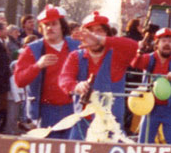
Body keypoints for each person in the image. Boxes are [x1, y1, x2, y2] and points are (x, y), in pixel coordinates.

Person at [59, 11, 139, 139]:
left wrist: (100, 40)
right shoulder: (75, 56)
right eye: (89, 31)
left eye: (99, 30)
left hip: (111, 128)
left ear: (107, 34)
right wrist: (76, 86)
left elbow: (134, 47)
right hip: (82, 126)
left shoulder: (117, 56)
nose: (94, 35)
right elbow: (64, 79)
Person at [14, 5, 80, 139]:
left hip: (73, 108)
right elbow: (19, 80)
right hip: (46, 111)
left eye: (54, 24)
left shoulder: (75, 46)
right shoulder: (32, 49)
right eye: (46, 25)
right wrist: (37, 66)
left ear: (62, 26)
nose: (50, 28)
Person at [130, 27, 171, 144]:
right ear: (157, 44)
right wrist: (138, 50)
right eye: (164, 41)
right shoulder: (149, 58)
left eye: (170, 42)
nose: (167, 44)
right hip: (151, 108)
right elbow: (135, 63)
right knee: (144, 143)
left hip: (170, 109)